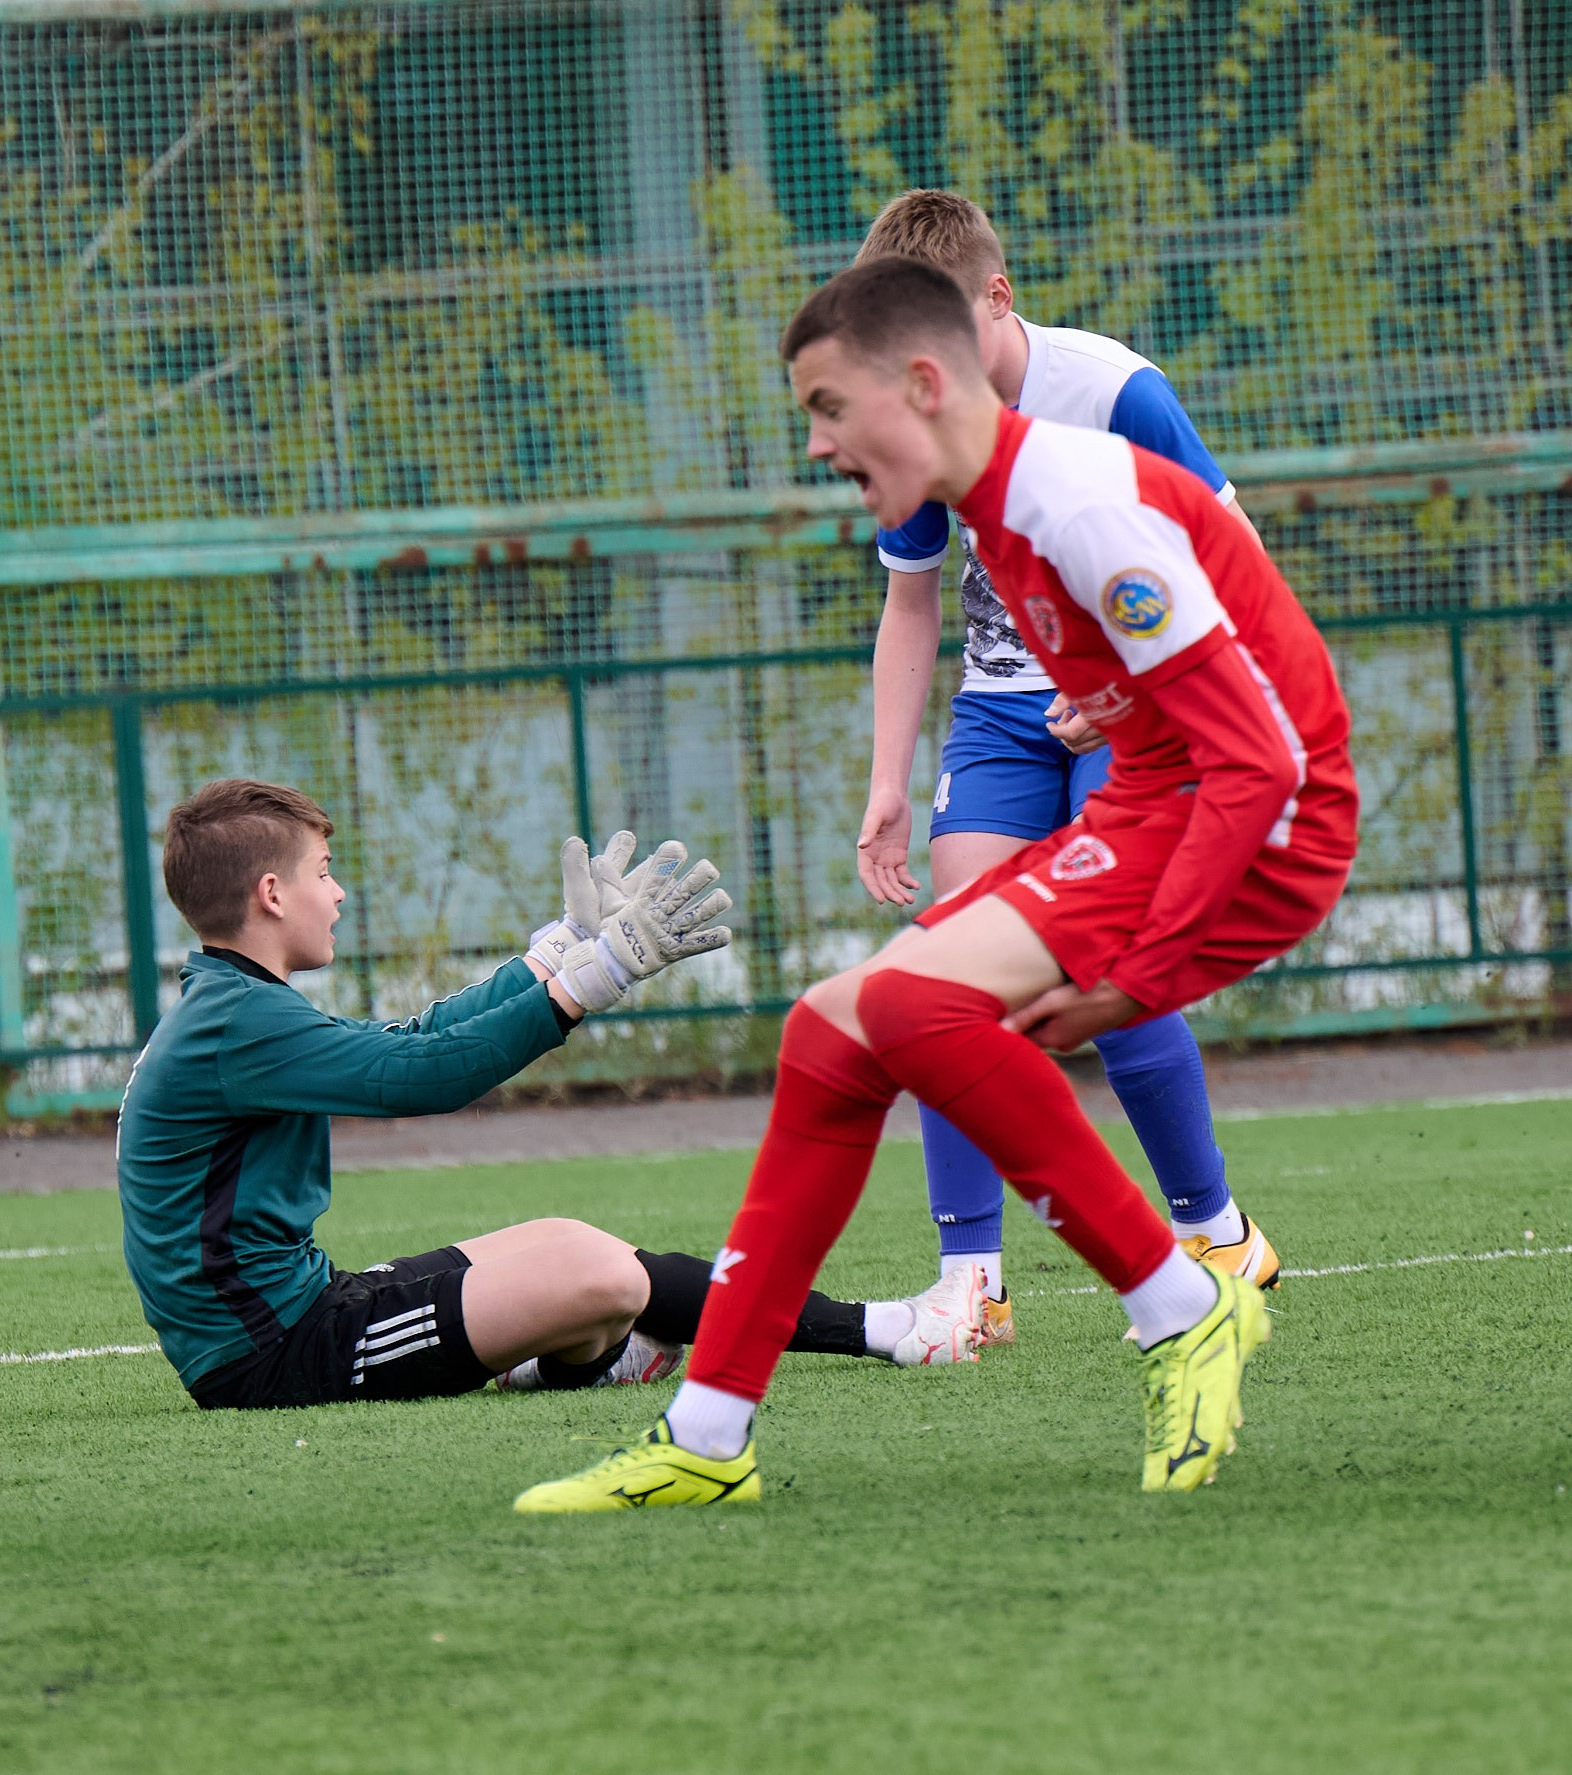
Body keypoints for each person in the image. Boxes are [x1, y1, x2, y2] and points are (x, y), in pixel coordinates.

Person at [517, 256, 1355, 1509]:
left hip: (1259, 822)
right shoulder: (993, 509)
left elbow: (1262, 755)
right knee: (829, 1030)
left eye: (825, 406)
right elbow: (1152, 705)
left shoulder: (1071, 501)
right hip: (1155, 802)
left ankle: (1182, 1301)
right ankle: (707, 1432)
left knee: (908, 1010)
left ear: (920, 383)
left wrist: (1137, 975)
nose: (814, 443)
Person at [117, 779, 987, 1414]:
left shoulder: (232, 1006)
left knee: (573, 1244)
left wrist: (556, 953)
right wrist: (592, 979)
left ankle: (591, 1363)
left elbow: (408, 1042)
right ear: (272, 894)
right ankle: (893, 1329)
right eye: (323, 871)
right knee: (600, 1274)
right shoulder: (237, 1023)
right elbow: (425, 1077)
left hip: (310, 1309)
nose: (338, 892)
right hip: (275, 1357)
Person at [850, 190, 1277, 1341]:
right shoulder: (917, 410)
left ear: (997, 298)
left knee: (1105, 963)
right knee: (946, 974)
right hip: (996, 716)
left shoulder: (1116, 391)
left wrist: (1136, 689)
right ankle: (971, 1283)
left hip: (1135, 712)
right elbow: (911, 602)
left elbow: (1233, 567)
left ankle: (1216, 1231)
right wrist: (888, 781)